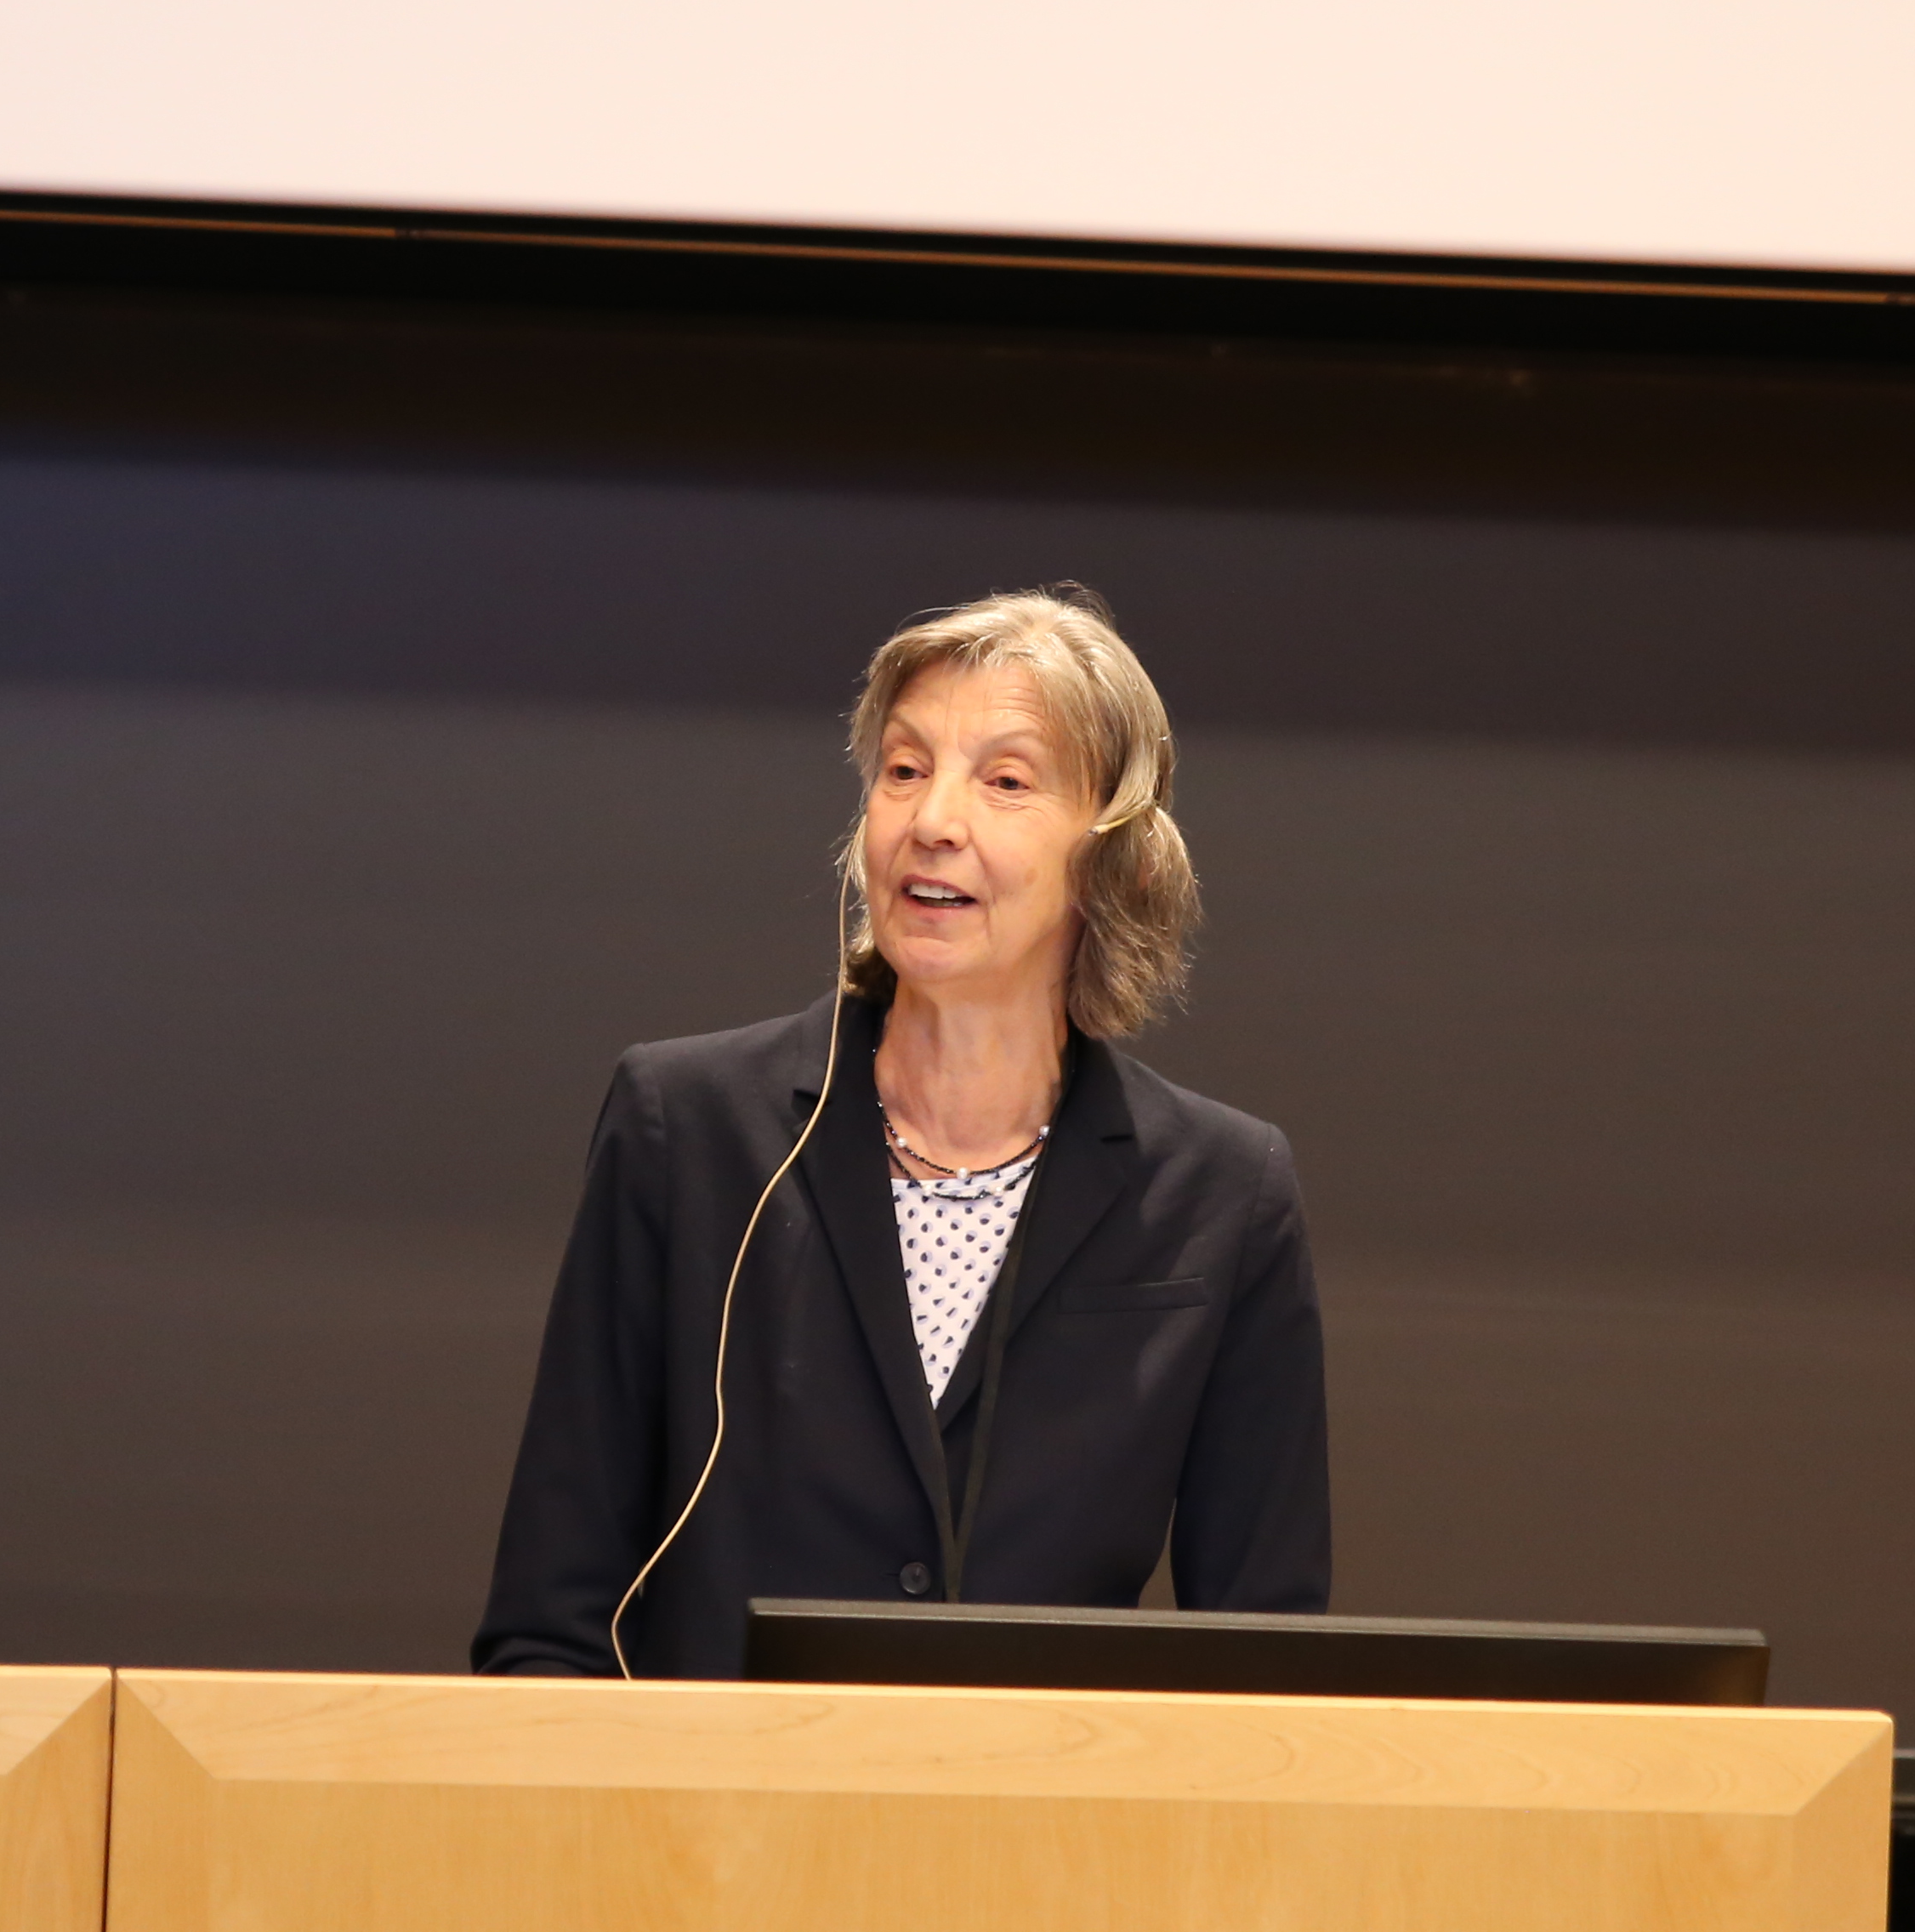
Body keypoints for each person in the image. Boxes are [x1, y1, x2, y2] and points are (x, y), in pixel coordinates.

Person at [473, 586, 1329, 1678]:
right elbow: (551, 1619)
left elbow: (1267, 1668)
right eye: (905, 769)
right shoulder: (686, 1128)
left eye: (1006, 781)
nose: (933, 822)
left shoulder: (1221, 1192)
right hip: (716, 1785)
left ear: (1116, 859)